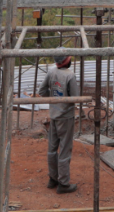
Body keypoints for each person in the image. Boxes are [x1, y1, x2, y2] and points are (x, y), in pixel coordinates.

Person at [40, 56, 80, 194]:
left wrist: (54, 102)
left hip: (54, 116)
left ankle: (53, 179)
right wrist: (64, 104)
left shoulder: (51, 72)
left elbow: (42, 91)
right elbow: (75, 97)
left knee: (52, 148)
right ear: (66, 61)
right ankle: (63, 183)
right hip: (66, 117)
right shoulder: (70, 75)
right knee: (64, 150)